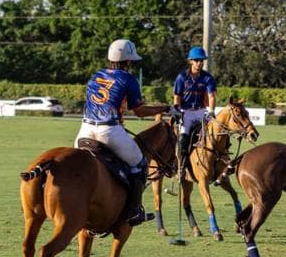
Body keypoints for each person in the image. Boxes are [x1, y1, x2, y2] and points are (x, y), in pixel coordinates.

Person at [75, 39, 171, 225]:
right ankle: (134, 211)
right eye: (131, 61)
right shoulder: (128, 79)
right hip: (108, 130)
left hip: (84, 130)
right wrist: (164, 108)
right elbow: (139, 111)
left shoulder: (95, 76)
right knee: (140, 163)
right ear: (127, 61)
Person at [171, 46, 217, 177]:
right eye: (197, 60)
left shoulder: (207, 78)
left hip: (202, 110)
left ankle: (222, 160)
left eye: (202, 60)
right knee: (184, 136)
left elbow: (211, 96)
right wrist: (177, 110)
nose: (200, 63)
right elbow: (177, 96)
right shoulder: (182, 77)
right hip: (186, 112)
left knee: (217, 129)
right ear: (190, 61)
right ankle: (182, 165)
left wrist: (212, 111)